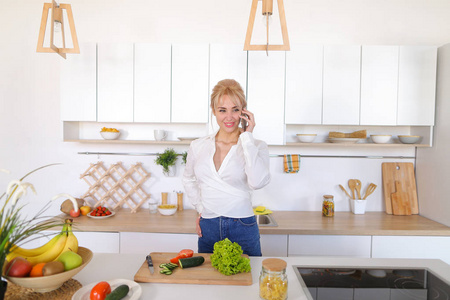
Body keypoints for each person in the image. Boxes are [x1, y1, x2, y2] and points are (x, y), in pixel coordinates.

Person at [182, 79, 271, 256]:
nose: (229, 117)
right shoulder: (198, 146)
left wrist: (247, 137)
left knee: (250, 280)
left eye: (235, 110)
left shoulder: (256, 146)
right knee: (211, 282)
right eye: (222, 110)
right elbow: (188, 178)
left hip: (243, 226)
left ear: (244, 111)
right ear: (214, 111)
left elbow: (257, 182)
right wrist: (201, 208)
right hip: (209, 226)